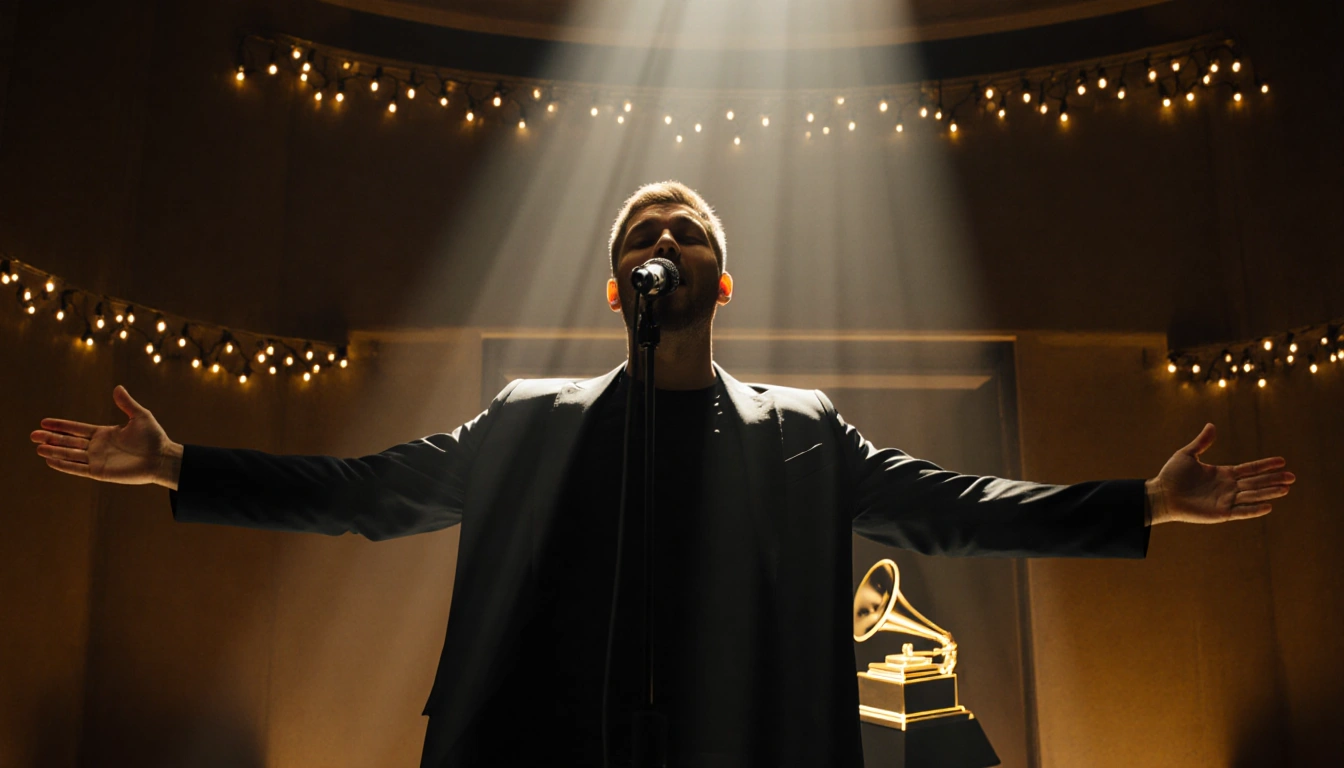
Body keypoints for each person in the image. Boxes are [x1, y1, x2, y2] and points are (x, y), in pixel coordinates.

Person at [30, 181, 1295, 768]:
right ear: (615, 281)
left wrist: (1147, 501)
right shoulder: (528, 422)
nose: (664, 240)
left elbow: (957, 510)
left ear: (722, 282)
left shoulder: (804, 430)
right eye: (643, 231)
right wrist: (177, 467)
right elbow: (366, 496)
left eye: (687, 230)